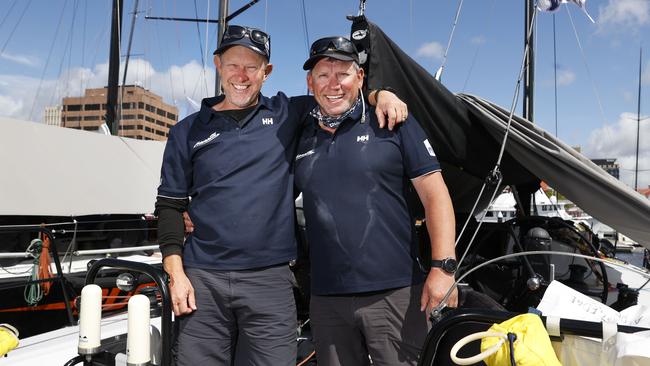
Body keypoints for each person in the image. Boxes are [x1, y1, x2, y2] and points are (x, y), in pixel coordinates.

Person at [155, 25, 407, 366]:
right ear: (218, 65)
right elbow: (170, 205)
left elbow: (338, 94)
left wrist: (383, 94)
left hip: (270, 281)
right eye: (233, 65)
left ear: (266, 72)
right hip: (202, 280)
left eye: (252, 67)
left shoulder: (289, 113)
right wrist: (176, 273)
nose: (241, 76)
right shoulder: (186, 131)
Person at [294, 36, 459, 366]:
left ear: (360, 78)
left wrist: (444, 267)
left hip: (394, 294)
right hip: (326, 299)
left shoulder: (394, 121)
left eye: (342, 73)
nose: (333, 84)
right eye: (323, 75)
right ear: (310, 82)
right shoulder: (299, 131)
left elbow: (435, 194)